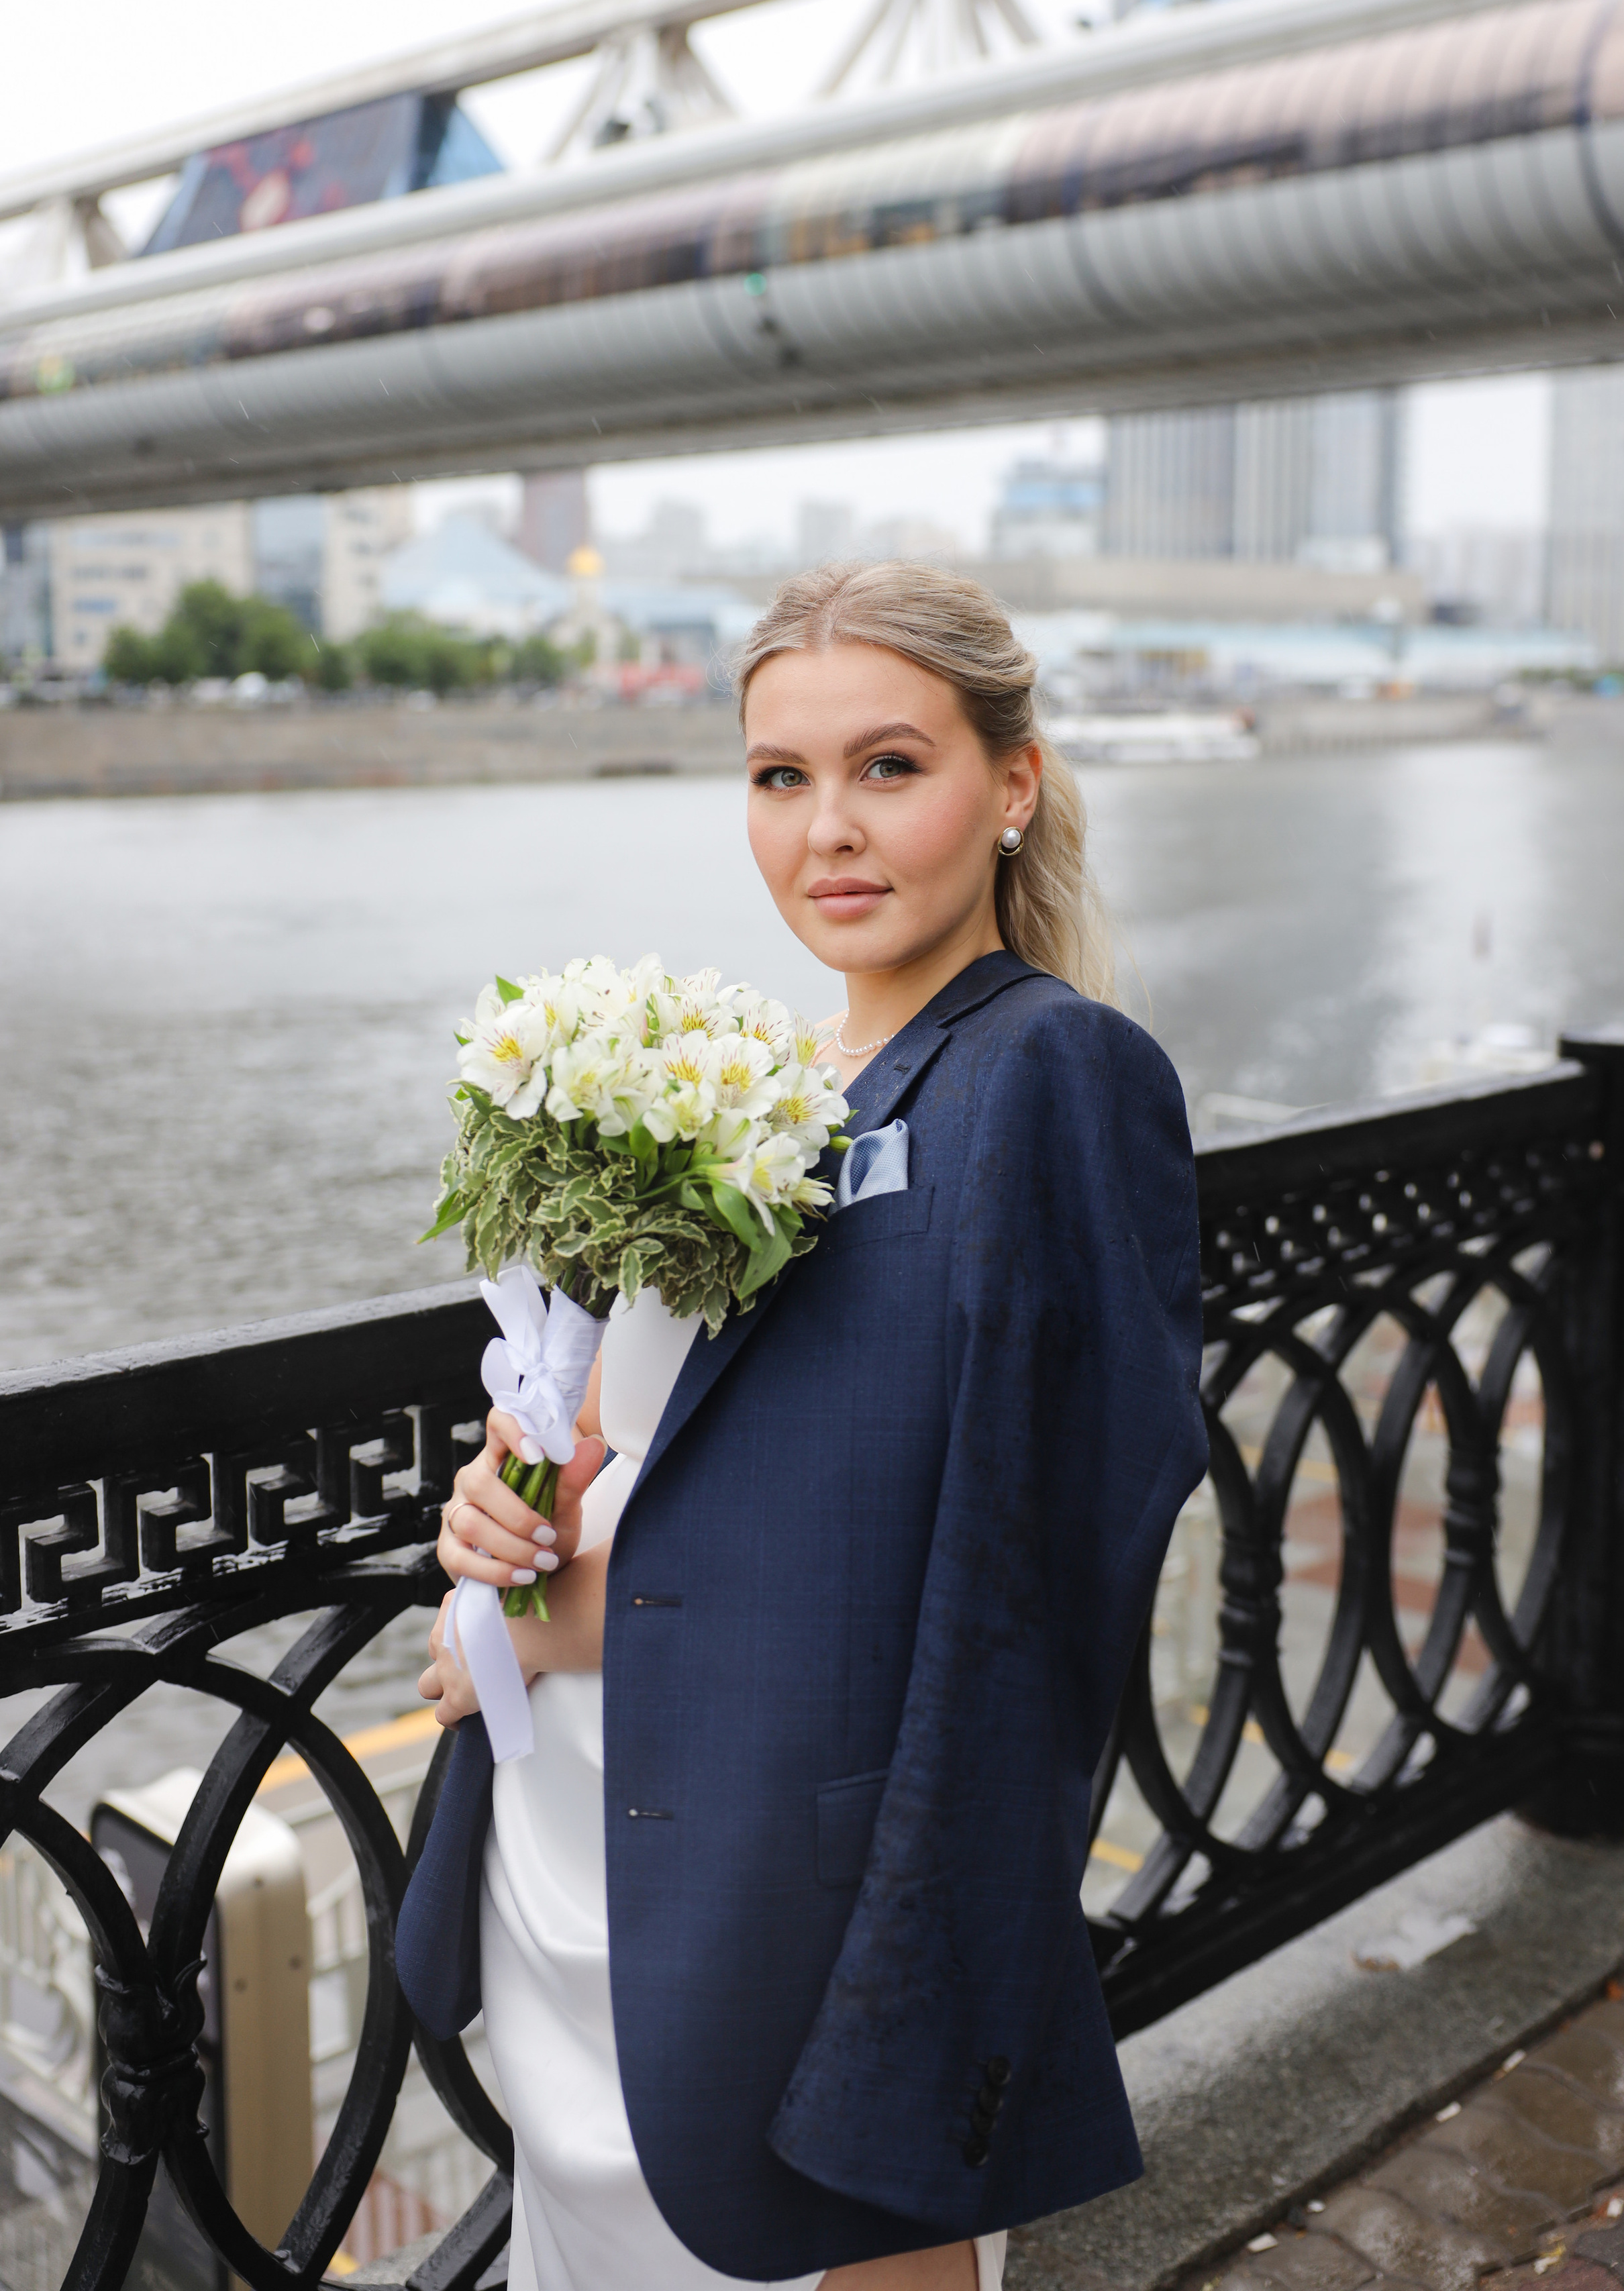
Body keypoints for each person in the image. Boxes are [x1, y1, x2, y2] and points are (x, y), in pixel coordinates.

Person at [419, 560, 1206, 2291]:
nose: (826, 831)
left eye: (888, 768)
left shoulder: (1050, 1074)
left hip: (802, 1879)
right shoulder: (755, 1085)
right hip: (591, 1857)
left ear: (1012, 787)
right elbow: (659, 1436)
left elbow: (1030, 1574)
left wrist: (563, 1624)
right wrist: (505, 1511)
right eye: (781, 778)